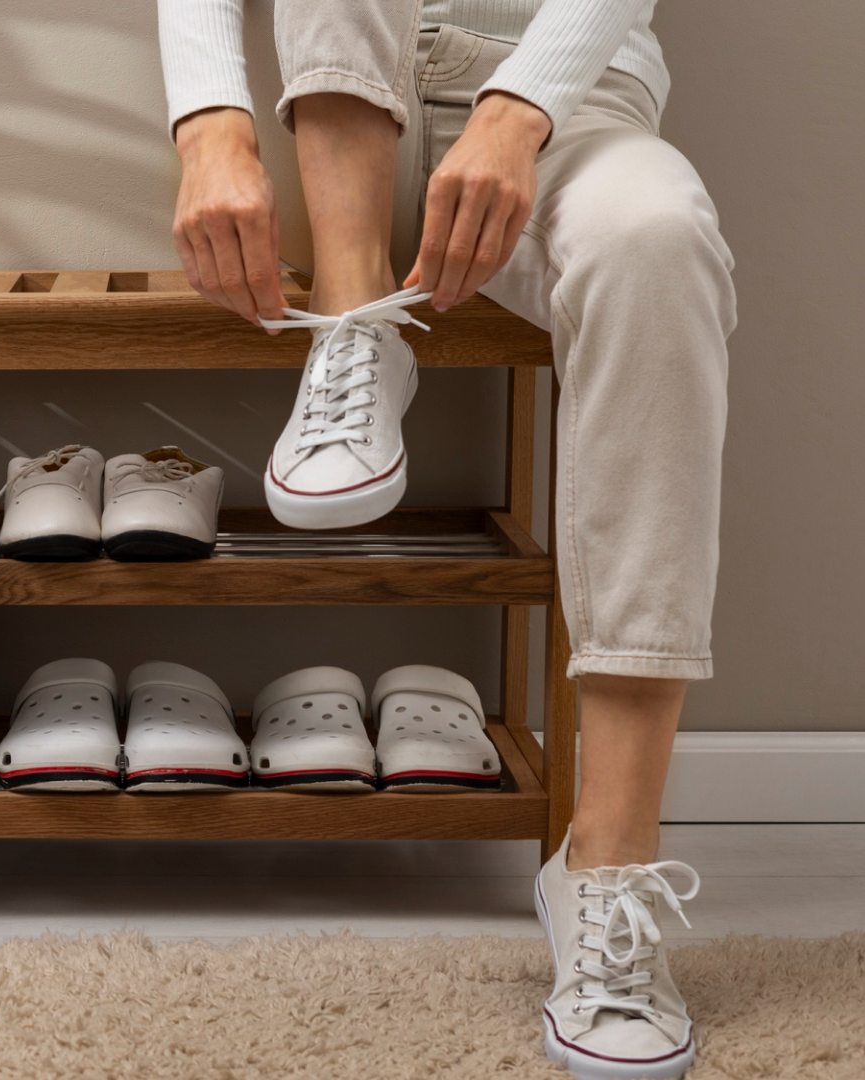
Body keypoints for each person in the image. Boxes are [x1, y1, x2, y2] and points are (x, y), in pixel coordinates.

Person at [157, 1, 734, 1077]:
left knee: (660, 243)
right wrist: (208, 122)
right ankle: (356, 325)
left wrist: (519, 111)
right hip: (333, 99)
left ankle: (608, 869)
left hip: (572, 94)